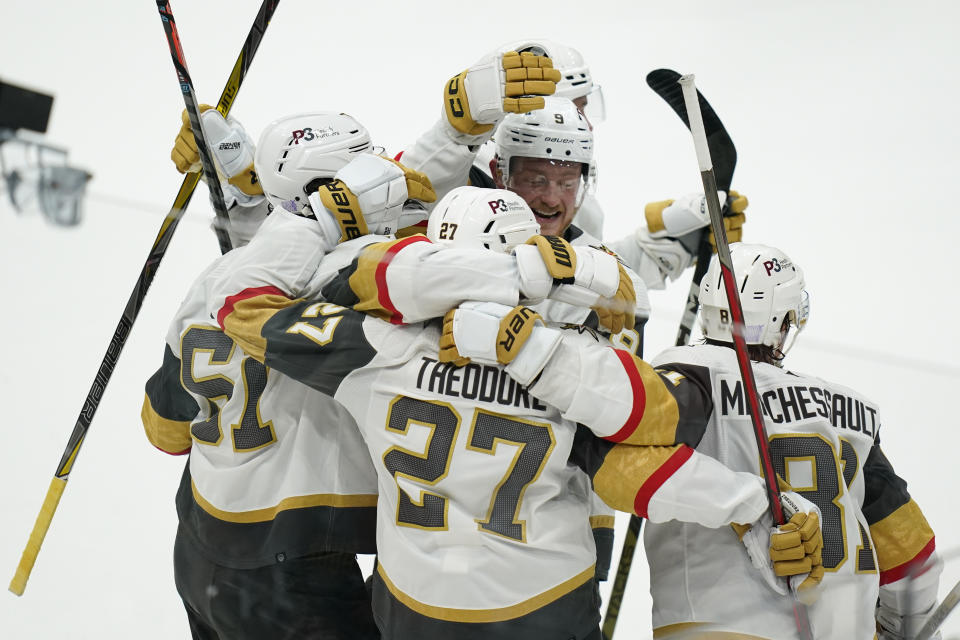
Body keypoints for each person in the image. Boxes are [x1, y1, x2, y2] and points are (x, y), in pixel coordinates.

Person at [211, 185, 821, 640]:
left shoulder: (373, 349)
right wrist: (753, 503)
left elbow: (242, 305)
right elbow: (635, 462)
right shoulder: (568, 358)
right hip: (546, 609)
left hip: (416, 610)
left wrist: (296, 219)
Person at [141, 111, 396, 640]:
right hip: (297, 577)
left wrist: (244, 193)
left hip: (198, 553)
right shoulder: (364, 283)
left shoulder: (216, 281)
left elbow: (163, 430)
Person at [636, 242, 941, 639]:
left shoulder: (682, 376)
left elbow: (623, 457)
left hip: (712, 625)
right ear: (783, 322)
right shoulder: (849, 413)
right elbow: (913, 554)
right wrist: (905, 627)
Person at [398, 45, 749, 291]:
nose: (588, 125)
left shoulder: (578, 202)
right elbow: (397, 207)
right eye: (577, 110)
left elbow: (572, 273)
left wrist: (662, 249)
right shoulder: (461, 182)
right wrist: (452, 134)